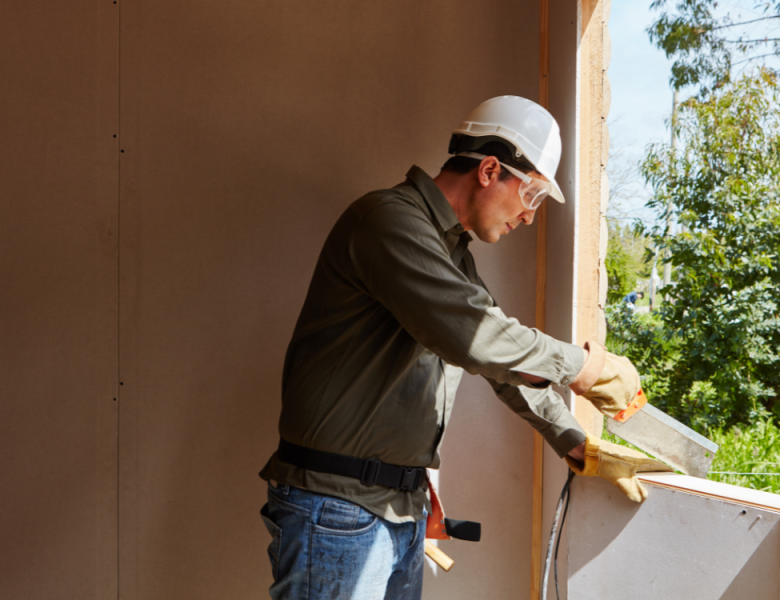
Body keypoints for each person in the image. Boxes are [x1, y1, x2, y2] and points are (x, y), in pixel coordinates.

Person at [259, 96, 669, 600]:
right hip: (338, 510)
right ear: (490, 169)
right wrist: (586, 367)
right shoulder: (387, 222)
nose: (529, 217)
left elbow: (501, 359)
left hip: (396, 506)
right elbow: (480, 340)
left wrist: (574, 442)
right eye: (533, 196)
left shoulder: (449, 250)